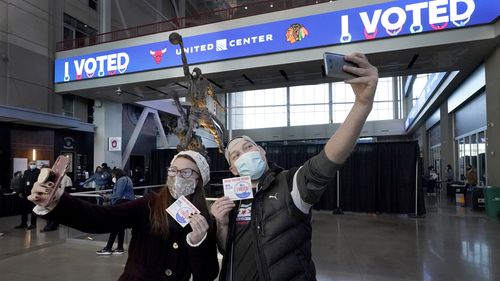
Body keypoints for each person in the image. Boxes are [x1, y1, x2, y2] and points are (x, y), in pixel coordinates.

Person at [210, 52, 378, 281]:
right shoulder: (232, 201)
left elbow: (327, 161)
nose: (243, 155)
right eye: (235, 155)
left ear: (262, 151)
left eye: (248, 147)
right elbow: (227, 248)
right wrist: (220, 225)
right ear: (233, 170)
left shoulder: (290, 184)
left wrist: (362, 104)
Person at [28, 150, 219, 281]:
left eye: (186, 172)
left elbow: (207, 275)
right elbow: (101, 218)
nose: (177, 176)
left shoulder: (205, 220)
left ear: (199, 179)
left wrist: (197, 242)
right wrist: (57, 201)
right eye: (173, 170)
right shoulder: (149, 204)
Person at [96, 168, 135, 255]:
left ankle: (108, 248)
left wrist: (107, 197)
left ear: (116, 174)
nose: (113, 177)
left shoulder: (121, 180)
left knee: (115, 226)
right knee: (120, 227)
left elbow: (118, 194)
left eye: (113, 175)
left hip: (121, 203)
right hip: (126, 204)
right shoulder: (127, 179)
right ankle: (119, 247)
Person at [15, 161, 40, 230]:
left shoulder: (39, 171)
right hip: (25, 194)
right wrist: (20, 191)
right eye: (31, 164)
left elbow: (40, 183)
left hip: (34, 194)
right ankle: (23, 223)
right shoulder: (26, 172)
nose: (32, 165)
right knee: (24, 209)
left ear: (36, 164)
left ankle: (33, 224)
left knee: (34, 210)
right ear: (28, 164)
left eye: (34, 164)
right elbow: (22, 182)